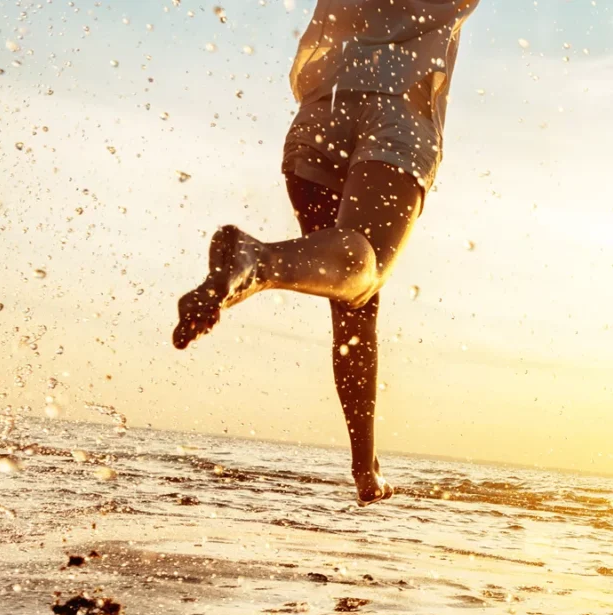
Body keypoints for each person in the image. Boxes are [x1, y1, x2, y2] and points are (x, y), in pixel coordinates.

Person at [171, 0, 477, 506]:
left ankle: (364, 464)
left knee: (349, 291)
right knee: (365, 271)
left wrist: (366, 464)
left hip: (321, 108)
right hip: (399, 108)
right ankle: (256, 261)